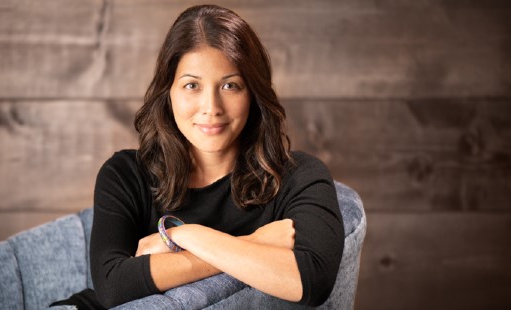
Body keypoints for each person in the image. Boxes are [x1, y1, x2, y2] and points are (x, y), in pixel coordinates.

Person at [53, 4, 344, 309]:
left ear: (253, 93)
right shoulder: (126, 173)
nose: (211, 107)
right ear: (169, 93)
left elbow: (311, 281)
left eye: (230, 85)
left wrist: (186, 237)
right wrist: (256, 243)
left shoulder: (298, 177)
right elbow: (113, 286)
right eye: (192, 85)